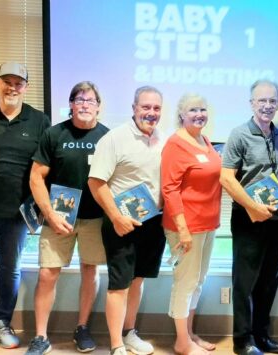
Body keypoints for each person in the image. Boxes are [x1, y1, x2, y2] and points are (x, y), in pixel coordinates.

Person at [24, 81, 109, 355]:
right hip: (58, 216)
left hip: (95, 219)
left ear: (99, 106)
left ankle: (82, 327)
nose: (85, 104)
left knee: (90, 271)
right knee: (48, 274)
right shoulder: (54, 134)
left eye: (90, 100)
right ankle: (40, 337)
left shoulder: (108, 137)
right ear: (71, 104)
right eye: (79, 99)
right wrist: (49, 213)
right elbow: (36, 177)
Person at [88, 86, 167, 355]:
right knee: (119, 285)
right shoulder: (115, 139)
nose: (151, 113)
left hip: (153, 223)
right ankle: (116, 345)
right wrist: (116, 217)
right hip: (121, 224)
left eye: (156, 108)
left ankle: (129, 332)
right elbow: (96, 182)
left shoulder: (164, 140)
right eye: (145, 107)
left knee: (137, 281)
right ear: (134, 108)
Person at [0, 62, 50, 349]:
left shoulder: (40, 121)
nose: (12, 87)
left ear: (26, 87)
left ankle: (0, 323)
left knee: (10, 270)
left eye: (18, 82)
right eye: (7, 81)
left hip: (18, 213)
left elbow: (47, 166)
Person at [220, 79, 278, 355]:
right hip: (248, 220)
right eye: (262, 100)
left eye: (272, 101)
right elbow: (226, 178)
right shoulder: (239, 135)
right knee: (244, 283)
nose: (267, 106)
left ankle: (261, 336)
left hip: (277, 221)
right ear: (252, 103)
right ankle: (242, 340)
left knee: (269, 281)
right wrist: (252, 207)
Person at [161, 94, 222, 355]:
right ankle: (181, 342)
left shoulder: (204, 140)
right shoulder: (176, 144)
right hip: (185, 227)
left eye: (203, 109)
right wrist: (183, 229)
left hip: (208, 224)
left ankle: (189, 333)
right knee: (185, 282)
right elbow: (169, 189)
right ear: (181, 114)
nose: (199, 114)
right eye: (193, 110)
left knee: (198, 280)